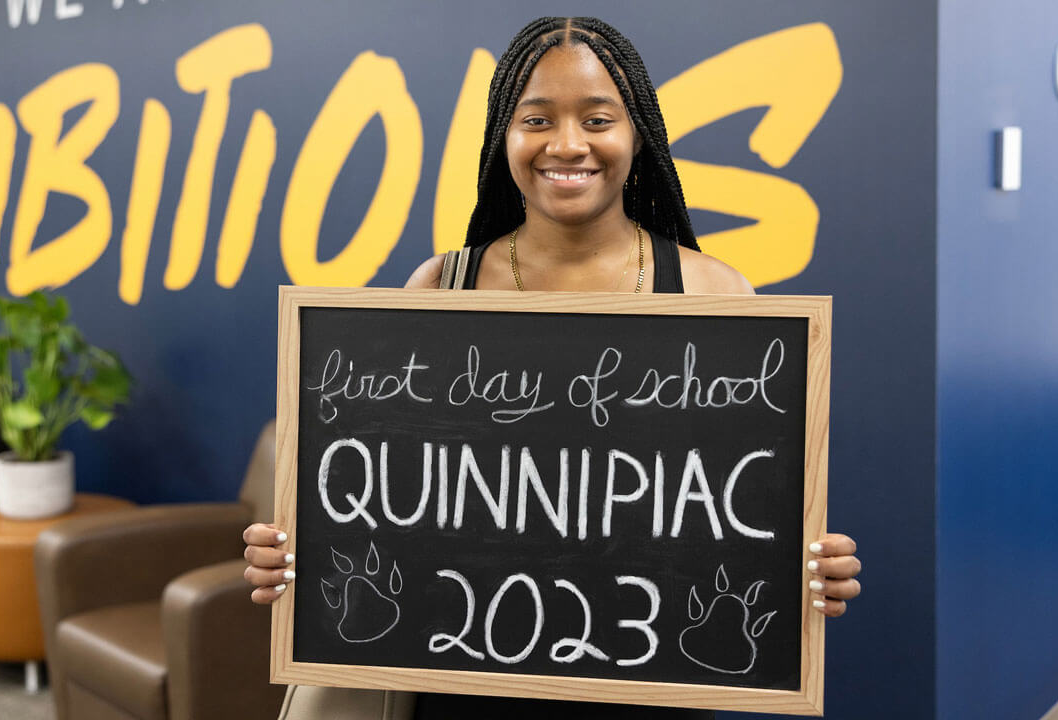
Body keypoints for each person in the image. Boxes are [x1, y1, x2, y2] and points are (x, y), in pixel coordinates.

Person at [244, 16, 862, 719]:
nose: (568, 144)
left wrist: (807, 571)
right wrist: (299, 555)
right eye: (537, 119)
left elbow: (744, 517)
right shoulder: (438, 288)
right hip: (460, 684)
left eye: (598, 119)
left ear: (638, 136)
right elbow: (379, 510)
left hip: (648, 682)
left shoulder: (715, 294)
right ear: (503, 137)